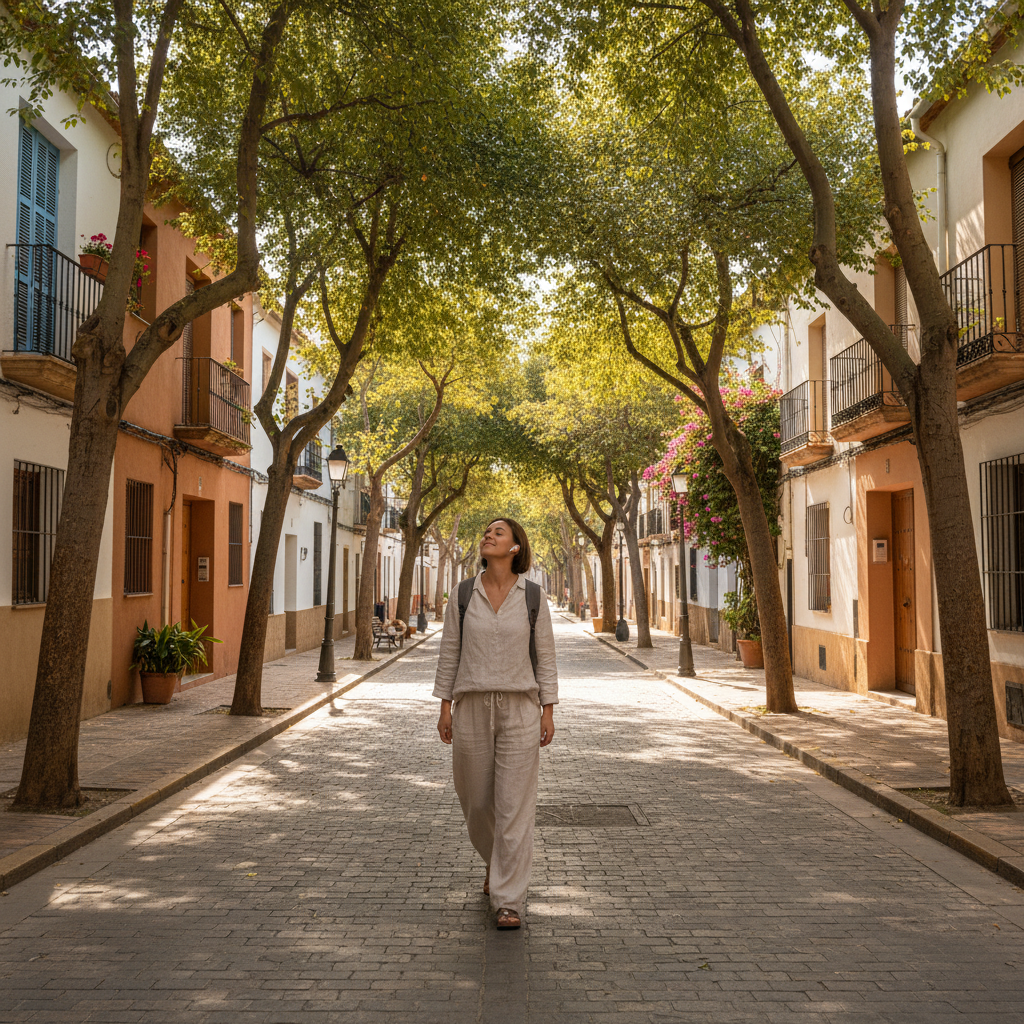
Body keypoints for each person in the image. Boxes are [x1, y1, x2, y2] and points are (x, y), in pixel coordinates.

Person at [433, 517, 558, 930]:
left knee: (513, 805)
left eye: (497, 532)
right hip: (471, 707)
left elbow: (546, 656)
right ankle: (496, 863)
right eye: (486, 532)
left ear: (515, 547)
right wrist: (444, 706)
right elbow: (450, 650)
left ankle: (508, 900)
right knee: (478, 802)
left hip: (521, 708)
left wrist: (548, 709)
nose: (488, 535)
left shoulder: (533, 597)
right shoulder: (464, 594)